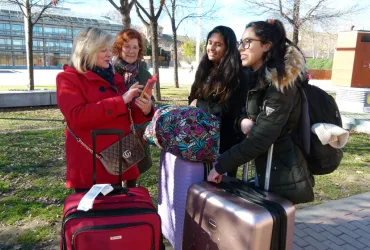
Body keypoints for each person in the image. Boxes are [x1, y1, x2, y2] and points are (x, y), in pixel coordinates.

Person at [207, 19, 314, 204]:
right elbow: (240, 113)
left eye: (247, 42)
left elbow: (262, 137)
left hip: (281, 171)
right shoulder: (254, 77)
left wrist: (221, 165)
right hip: (261, 167)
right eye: (241, 42)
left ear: (266, 46)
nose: (241, 48)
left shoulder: (281, 84)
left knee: (273, 228)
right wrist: (242, 122)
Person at [56, 27, 154, 191]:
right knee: (93, 214)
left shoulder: (113, 77)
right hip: (91, 162)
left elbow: (127, 113)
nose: (109, 54)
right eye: (103, 50)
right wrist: (121, 100)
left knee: (117, 212)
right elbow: (77, 116)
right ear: (87, 51)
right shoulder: (68, 79)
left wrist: (145, 109)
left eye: (109, 49)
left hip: (117, 159)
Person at [189, 25, 247, 177]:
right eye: (210, 42)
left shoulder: (237, 75)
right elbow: (192, 98)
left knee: (219, 192)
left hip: (224, 144)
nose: (212, 48)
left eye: (218, 44)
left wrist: (199, 104)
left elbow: (228, 110)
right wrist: (195, 103)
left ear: (228, 48)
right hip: (199, 138)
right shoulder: (204, 69)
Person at [112, 28, 154, 181]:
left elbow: (150, 101)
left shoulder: (144, 74)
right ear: (119, 48)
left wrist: (148, 107)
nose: (131, 51)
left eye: (135, 47)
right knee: (112, 174)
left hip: (136, 133)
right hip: (114, 132)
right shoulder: (108, 71)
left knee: (132, 178)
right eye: (127, 46)